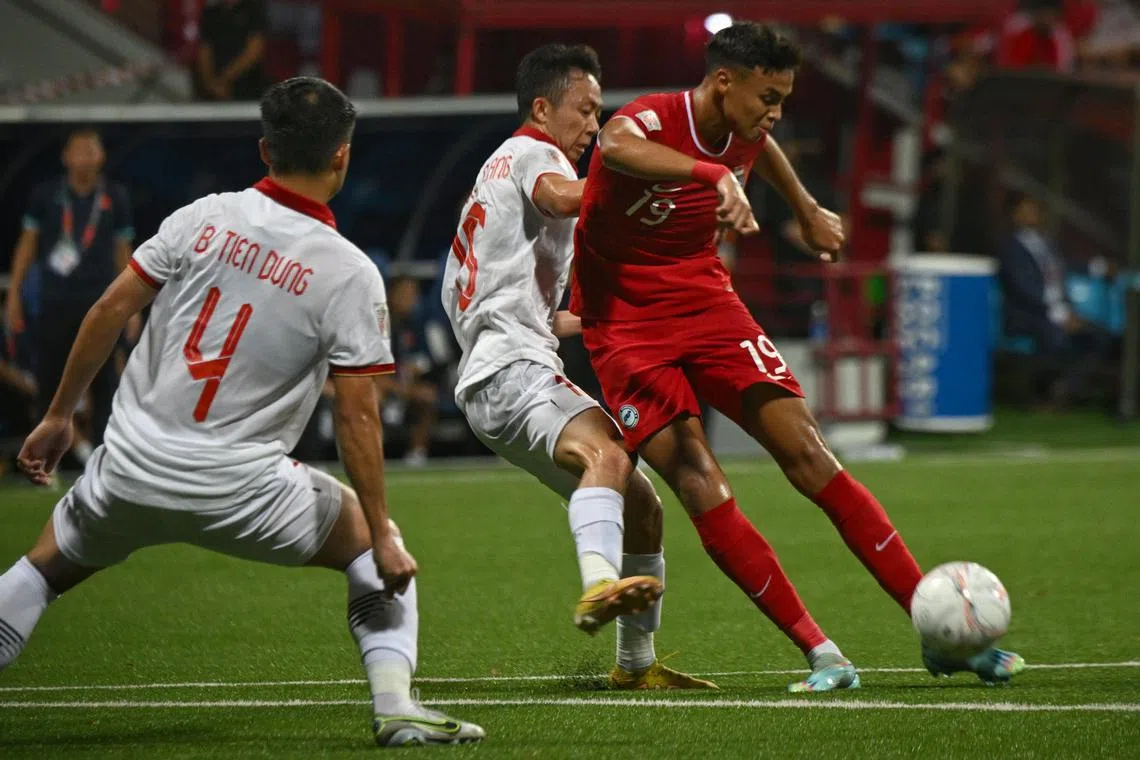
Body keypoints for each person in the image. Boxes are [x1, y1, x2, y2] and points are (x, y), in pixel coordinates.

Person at [0, 77, 483, 747]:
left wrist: (58, 415)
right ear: (342, 155)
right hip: (243, 491)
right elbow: (357, 418)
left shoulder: (201, 217)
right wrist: (381, 531)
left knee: (40, 569)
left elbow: (109, 310)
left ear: (265, 149)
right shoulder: (348, 271)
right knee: (368, 550)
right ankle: (397, 706)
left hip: (131, 470)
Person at [571, 22, 1025, 692]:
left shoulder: (746, 123)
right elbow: (614, 146)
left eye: (783, 98)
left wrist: (807, 208)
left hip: (707, 302)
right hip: (625, 325)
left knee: (811, 453)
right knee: (698, 478)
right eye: (769, 96)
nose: (776, 112)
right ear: (723, 81)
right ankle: (822, 653)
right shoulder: (654, 117)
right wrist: (713, 175)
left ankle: (938, 630)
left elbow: (763, 147)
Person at [443, 44, 712, 690]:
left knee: (641, 505)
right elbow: (563, 197)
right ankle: (598, 584)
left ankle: (636, 666)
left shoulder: (495, 171)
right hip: (511, 370)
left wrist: (610, 322)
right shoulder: (534, 154)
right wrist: (644, 180)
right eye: (585, 110)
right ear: (542, 109)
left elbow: (534, 311)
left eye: (599, 112)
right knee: (610, 452)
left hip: (496, 373)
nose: (596, 125)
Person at [5, 127, 137, 455]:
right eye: (79, 150)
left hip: (102, 303)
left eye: (91, 150)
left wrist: (133, 305)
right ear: (66, 156)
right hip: (54, 302)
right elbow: (27, 246)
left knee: (105, 382)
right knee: (49, 380)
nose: (85, 158)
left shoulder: (114, 197)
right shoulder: (46, 195)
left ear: (101, 156)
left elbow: (124, 252)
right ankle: (41, 460)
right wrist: (14, 295)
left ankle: (103, 457)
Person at [196, 0, 269, 102]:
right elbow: (204, 50)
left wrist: (224, 79)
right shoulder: (211, 13)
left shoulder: (255, 10)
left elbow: (254, 52)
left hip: (247, 85)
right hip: (212, 88)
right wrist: (210, 82)